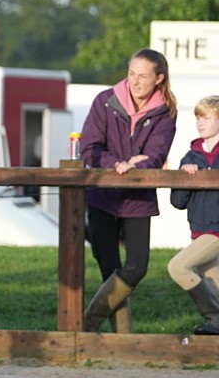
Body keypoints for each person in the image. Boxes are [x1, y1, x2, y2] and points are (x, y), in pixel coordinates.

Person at [80, 48, 177, 332]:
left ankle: (87, 324)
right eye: (131, 73)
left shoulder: (165, 110)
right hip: (102, 194)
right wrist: (117, 164)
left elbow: (156, 153)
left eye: (143, 76)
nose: (134, 82)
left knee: (136, 267)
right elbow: (90, 146)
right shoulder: (105, 101)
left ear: (159, 78)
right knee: (109, 268)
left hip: (138, 196)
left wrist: (140, 163)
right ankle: (124, 339)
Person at [167, 95, 219, 335]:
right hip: (198, 230)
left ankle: (213, 316)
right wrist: (185, 178)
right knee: (215, 288)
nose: (200, 122)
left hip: (216, 232)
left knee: (178, 267)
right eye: (198, 117)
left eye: (207, 117)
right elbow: (178, 202)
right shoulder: (190, 157)